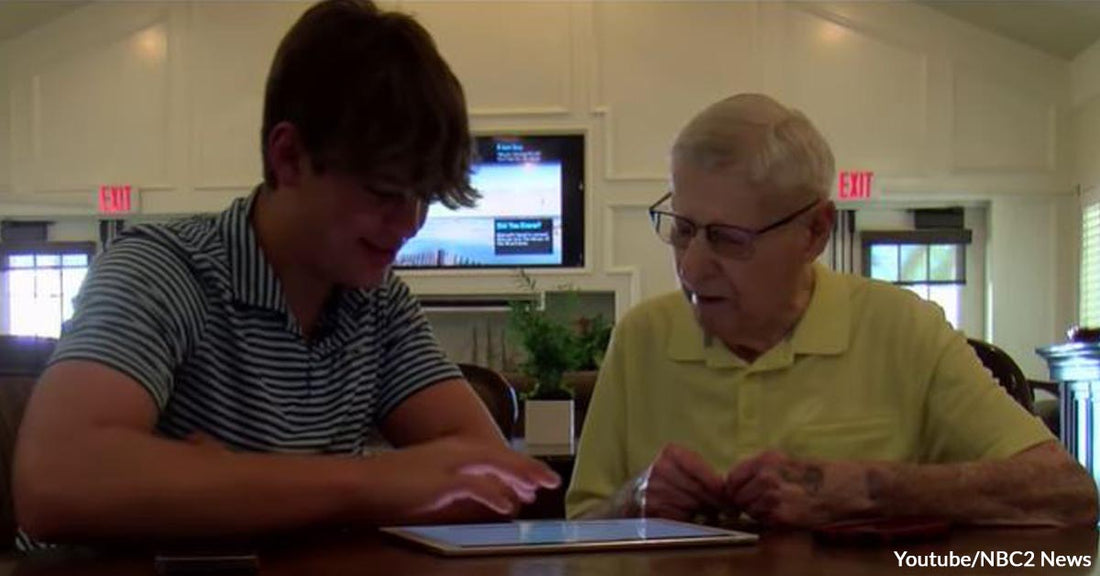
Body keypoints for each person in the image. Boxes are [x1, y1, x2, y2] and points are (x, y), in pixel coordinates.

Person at [13, 0, 558, 547]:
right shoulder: (159, 270)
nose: (410, 224)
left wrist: (220, 483)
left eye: (426, 198)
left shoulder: (379, 305)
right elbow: (58, 480)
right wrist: (372, 480)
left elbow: (487, 481)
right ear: (289, 156)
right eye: (384, 192)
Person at [566, 93, 1097, 527]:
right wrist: (633, 501)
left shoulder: (903, 328)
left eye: (728, 239)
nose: (692, 268)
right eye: (682, 229)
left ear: (815, 231)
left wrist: (871, 490)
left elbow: (1067, 494)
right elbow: (579, 525)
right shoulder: (640, 338)